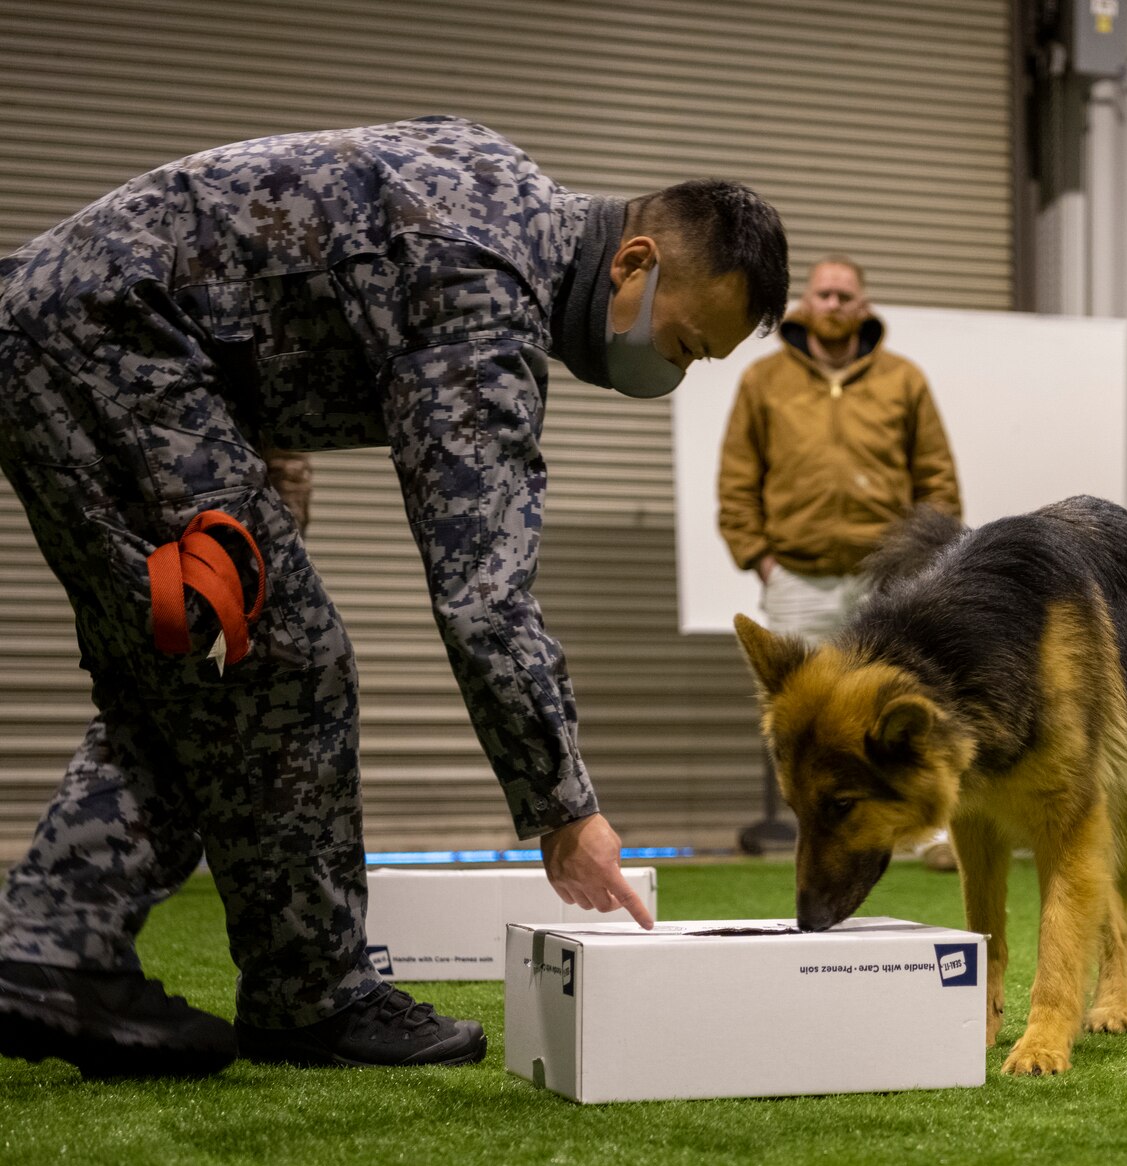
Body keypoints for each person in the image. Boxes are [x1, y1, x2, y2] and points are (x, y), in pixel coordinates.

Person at [0, 116, 789, 1077]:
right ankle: (308, 997)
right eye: (685, 343)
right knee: (290, 665)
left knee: (206, 667)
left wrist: (266, 456)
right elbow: (483, 595)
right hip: (106, 341)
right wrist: (566, 807)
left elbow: (266, 273)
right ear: (634, 262)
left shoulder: (498, 182)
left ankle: (58, 944)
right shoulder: (485, 297)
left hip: (80, 323)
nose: (672, 370)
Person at [717, 254, 962, 870]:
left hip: (891, 581)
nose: (833, 305)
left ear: (863, 305)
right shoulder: (763, 381)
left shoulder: (904, 379)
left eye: (844, 296)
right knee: (800, 710)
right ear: (805, 302)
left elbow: (936, 477)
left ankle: (930, 834)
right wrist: (761, 560)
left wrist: (927, 561)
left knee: (904, 704)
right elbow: (737, 481)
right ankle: (818, 830)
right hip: (796, 576)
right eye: (824, 294)